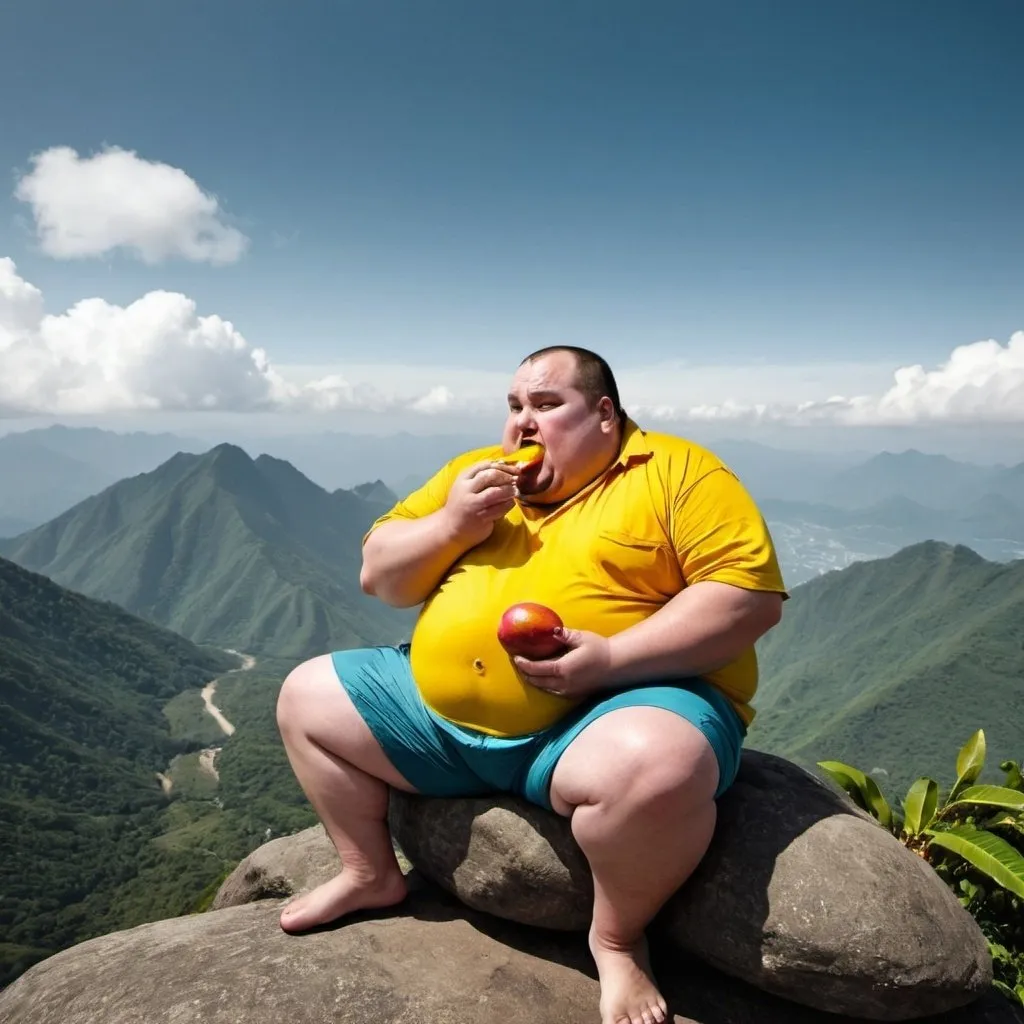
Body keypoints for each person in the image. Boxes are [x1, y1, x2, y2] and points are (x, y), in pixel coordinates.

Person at [276, 345, 787, 1024]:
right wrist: (455, 522)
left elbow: (747, 599)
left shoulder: (680, 472)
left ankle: (616, 940)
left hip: (601, 714)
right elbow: (381, 575)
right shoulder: (473, 475)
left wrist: (610, 661)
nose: (523, 422)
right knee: (306, 696)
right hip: (437, 724)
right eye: (515, 405)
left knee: (660, 766)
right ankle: (370, 874)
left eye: (547, 405)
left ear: (604, 414)